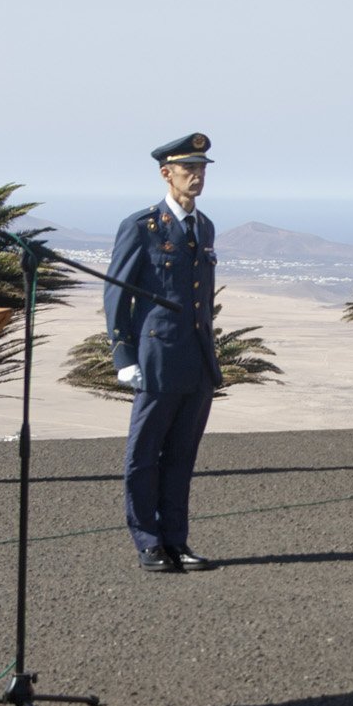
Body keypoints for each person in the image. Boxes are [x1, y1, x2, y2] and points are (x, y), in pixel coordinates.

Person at [106, 133, 222, 575]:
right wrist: (124, 357)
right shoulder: (141, 227)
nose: (196, 176)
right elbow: (116, 293)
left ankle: (177, 540)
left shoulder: (204, 226)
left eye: (202, 169)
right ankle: (148, 540)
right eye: (188, 169)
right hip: (156, 356)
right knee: (144, 453)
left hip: (196, 358)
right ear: (165, 173)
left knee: (181, 456)